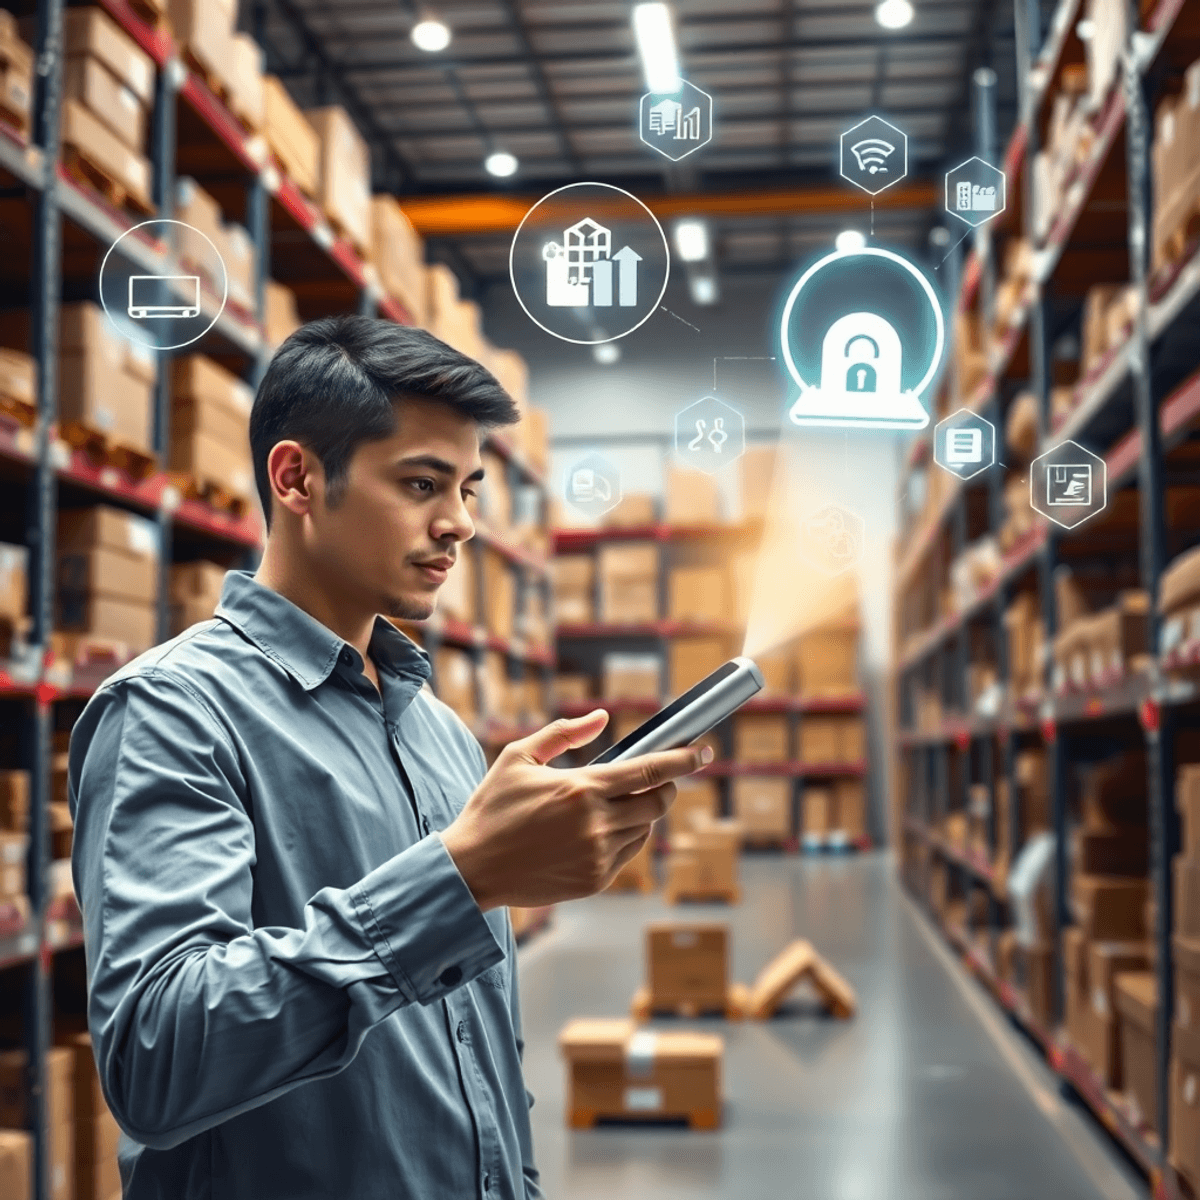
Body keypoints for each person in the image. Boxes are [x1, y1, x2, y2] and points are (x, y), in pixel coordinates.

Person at [67, 316, 711, 1199]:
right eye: (421, 483)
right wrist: (462, 877)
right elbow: (158, 1058)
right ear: (296, 479)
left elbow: (480, 1050)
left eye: (471, 488)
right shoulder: (173, 713)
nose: (461, 525)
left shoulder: (437, 732)